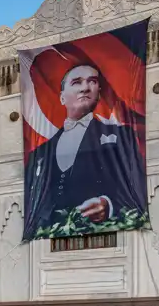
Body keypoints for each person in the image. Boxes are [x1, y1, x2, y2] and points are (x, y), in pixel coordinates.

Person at [24, 63, 146, 237]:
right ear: (62, 98)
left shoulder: (120, 137)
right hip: (46, 245)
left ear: (98, 92)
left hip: (105, 237)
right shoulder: (41, 153)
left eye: (92, 81)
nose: (85, 88)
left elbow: (137, 187)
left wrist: (109, 205)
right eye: (77, 82)